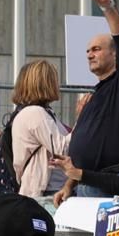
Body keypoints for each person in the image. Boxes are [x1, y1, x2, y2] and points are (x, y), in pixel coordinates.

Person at [58, 0, 119, 201]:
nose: (90, 54)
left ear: (115, 54)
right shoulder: (96, 94)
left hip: (117, 184)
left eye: (96, 49)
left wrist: (107, 6)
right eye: (88, 50)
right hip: (88, 185)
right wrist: (70, 184)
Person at [5, 59, 70, 200]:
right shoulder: (35, 113)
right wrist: (84, 120)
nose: (57, 85)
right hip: (46, 193)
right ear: (44, 83)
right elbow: (61, 149)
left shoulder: (40, 112)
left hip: (47, 190)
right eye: (53, 79)